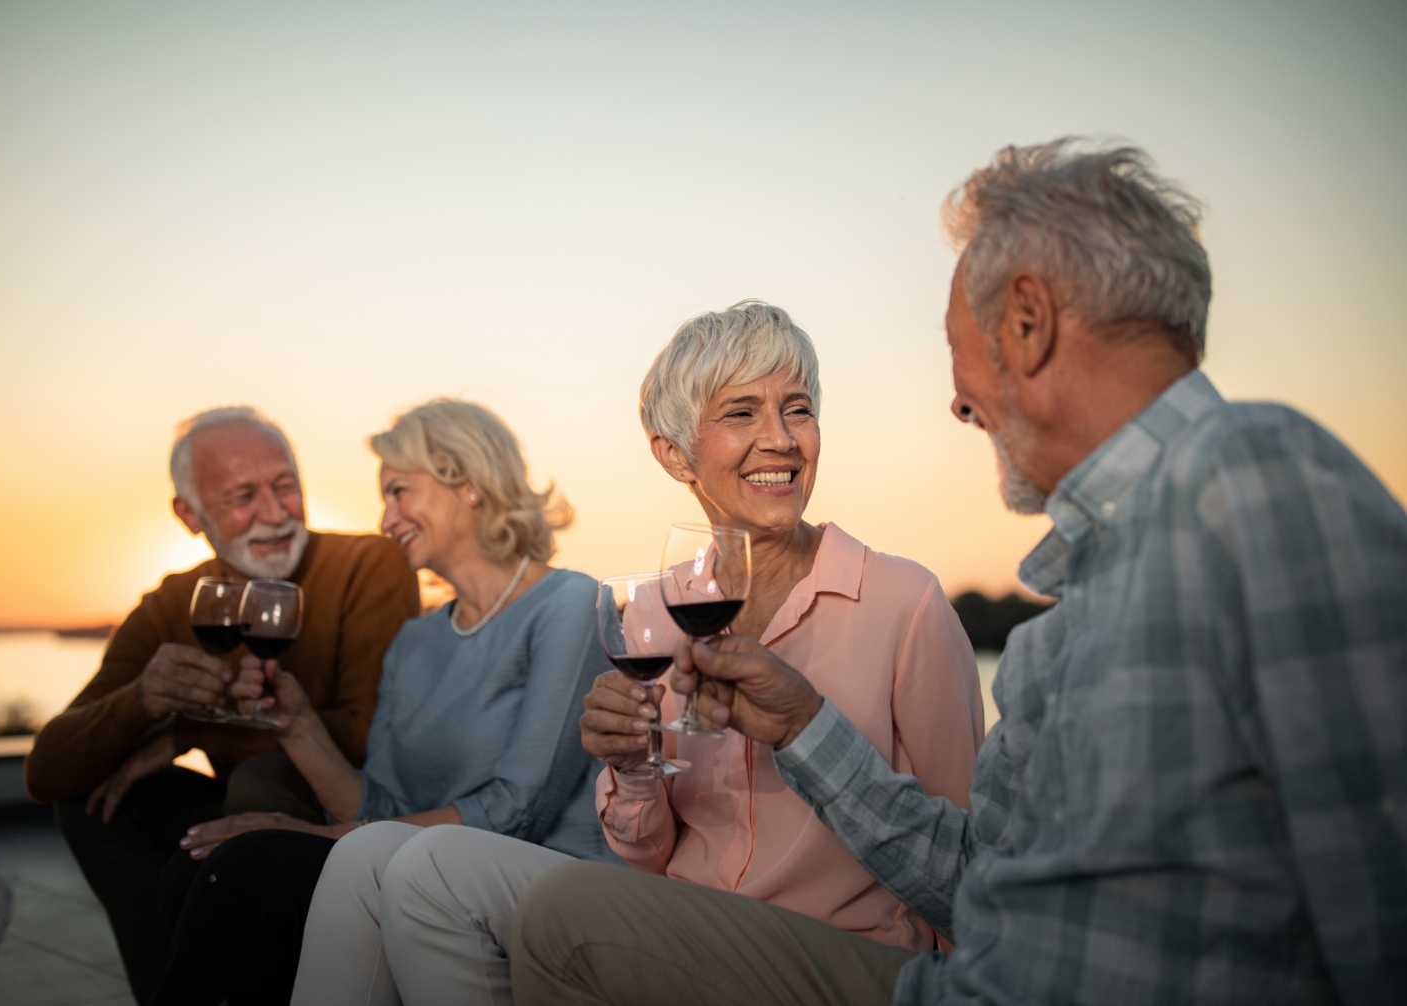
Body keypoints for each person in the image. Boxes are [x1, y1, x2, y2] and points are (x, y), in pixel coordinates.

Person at [507, 141, 1407, 1005]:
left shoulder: (1255, 478)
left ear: (1027, 321)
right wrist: (806, 727)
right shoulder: (1076, 609)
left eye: (955, 345)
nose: (958, 397)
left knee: (559, 925)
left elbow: (1381, 901)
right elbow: (978, 883)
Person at [288, 303, 984, 1006]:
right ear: (674, 454)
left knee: (434, 870)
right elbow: (645, 853)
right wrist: (632, 769)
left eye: (797, 409)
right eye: (741, 413)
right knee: (379, 857)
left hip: (828, 955)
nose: (780, 439)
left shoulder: (904, 601)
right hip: (681, 925)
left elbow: (965, 853)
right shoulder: (654, 610)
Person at [144, 397, 616, 1006]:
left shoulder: (569, 605)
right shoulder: (416, 640)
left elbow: (516, 809)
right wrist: (297, 727)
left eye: (398, 491)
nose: (386, 518)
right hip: (401, 868)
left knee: (247, 867)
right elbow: (381, 803)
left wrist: (316, 831)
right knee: (199, 867)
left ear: (466, 482)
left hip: (534, 881)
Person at [22, 405, 418, 1003]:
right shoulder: (176, 602)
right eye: (243, 496)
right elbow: (44, 771)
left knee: (262, 777)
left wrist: (190, 734)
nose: (277, 512)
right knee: (90, 805)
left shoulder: (366, 564)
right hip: (237, 811)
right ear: (189, 514)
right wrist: (139, 702)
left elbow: (368, 735)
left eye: (287, 485)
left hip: (345, 821)